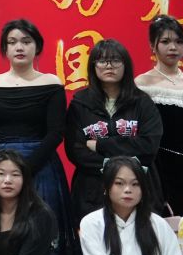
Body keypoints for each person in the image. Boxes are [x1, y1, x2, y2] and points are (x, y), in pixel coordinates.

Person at [0, 19, 78, 255]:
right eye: (12, 42)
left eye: (26, 41)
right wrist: (2, 171)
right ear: (4, 49)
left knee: (41, 235)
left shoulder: (51, 83)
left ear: (37, 47)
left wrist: (24, 170)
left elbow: (55, 133)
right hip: (0, 169)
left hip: (40, 168)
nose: (19, 47)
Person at [66, 39, 165, 215]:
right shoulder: (80, 103)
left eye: (116, 60)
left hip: (138, 188)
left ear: (126, 65)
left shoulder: (142, 102)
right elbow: (75, 149)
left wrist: (100, 145)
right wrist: (110, 165)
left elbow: (148, 145)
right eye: (102, 61)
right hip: (92, 190)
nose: (109, 66)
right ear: (93, 66)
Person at [137, 16, 183, 217]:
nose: (173, 48)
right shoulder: (142, 84)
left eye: (179, 42)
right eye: (165, 41)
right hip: (159, 168)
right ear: (152, 46)